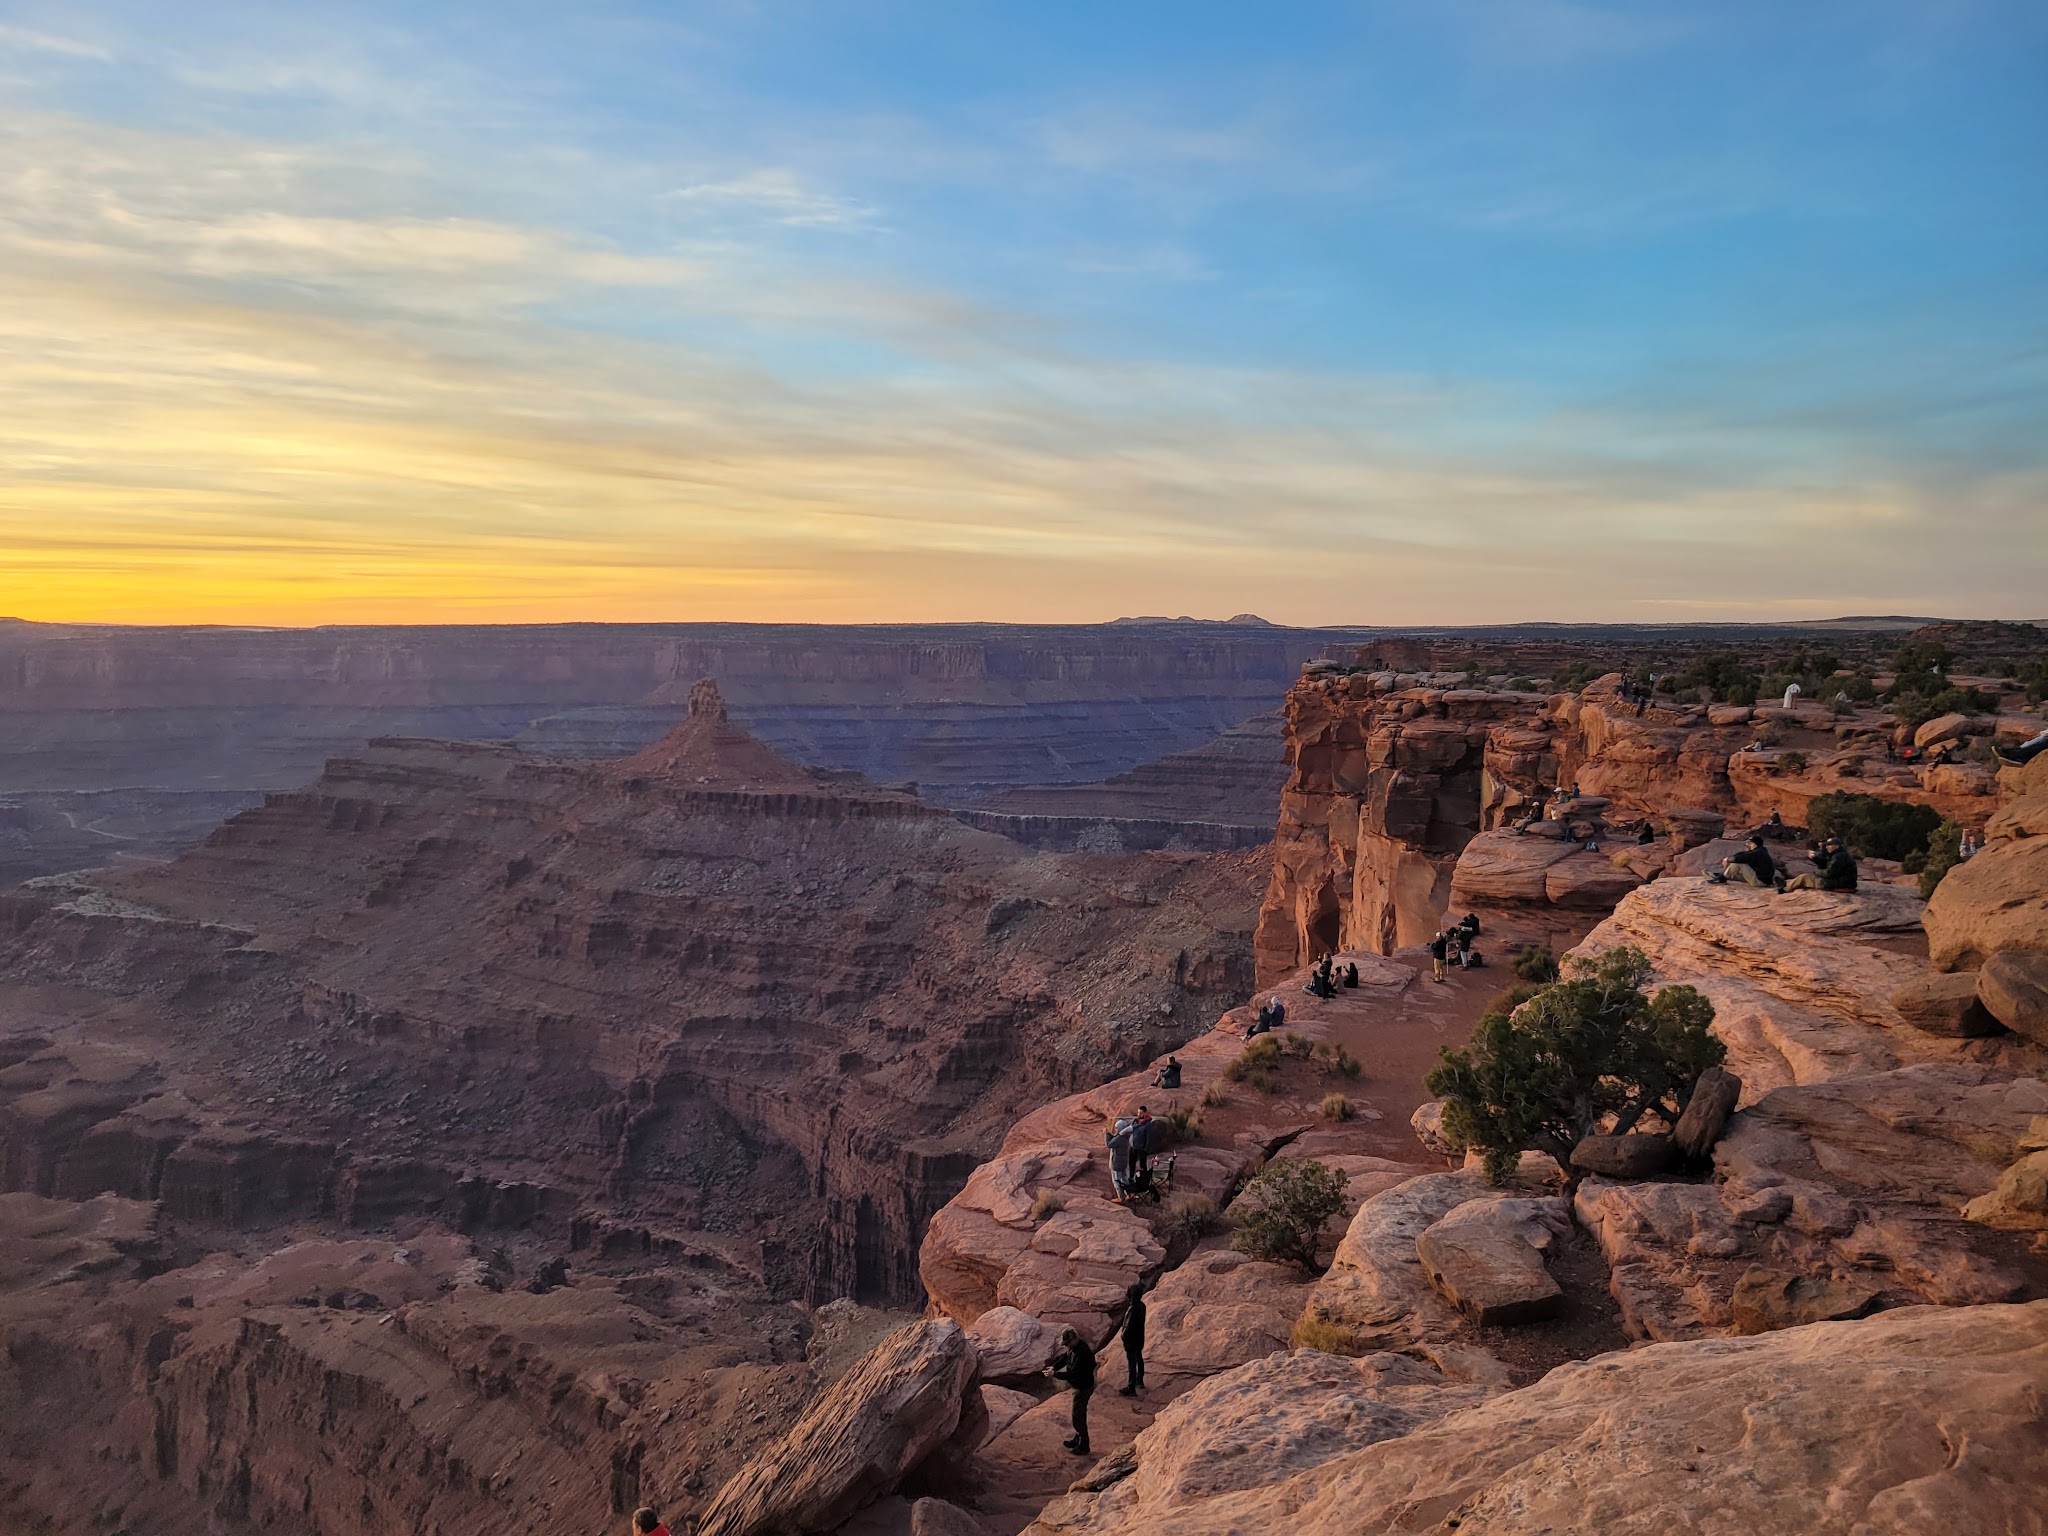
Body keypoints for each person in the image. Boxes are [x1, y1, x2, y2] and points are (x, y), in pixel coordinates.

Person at [1050, 1326, 1096, 1454]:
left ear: (1074, 1339)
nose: (1066, 1346)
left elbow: (1072, 1373)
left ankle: (1084, 1445)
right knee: (1077, 1415)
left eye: (1067, 1343)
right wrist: (1053, 1368)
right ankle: (1078, 1438)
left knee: (1078, 1416)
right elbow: (1065, 1358)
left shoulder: (1082, 1353)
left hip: (1083, 1387)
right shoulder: (1073, 1349)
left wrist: (1054, 1374)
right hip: (1079, 1385)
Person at [1786, 838, 1858, 893]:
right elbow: (1825, 865)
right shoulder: (1839, 854)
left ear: (1836, 846)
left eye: (1829, 845)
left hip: (1840, 884)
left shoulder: (1838, 857)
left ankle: (1784, 889)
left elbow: (1829, 873)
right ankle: (1785, 885)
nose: (1826, 847)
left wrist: (1816, 873)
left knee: (1804, 877)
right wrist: (1814, 858)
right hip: (1841, 882)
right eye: (1826, 845)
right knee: (1806, 878)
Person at [1116, 1282, 1147, 1395]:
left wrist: (1123, 1335)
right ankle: (1140, 1381)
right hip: (1139, 1339)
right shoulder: (1142, 1306)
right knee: (1139, 1358)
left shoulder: (1132, 1309)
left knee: (1132, 1363)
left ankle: (1131, 1387)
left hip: (1131, 1341)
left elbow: (1128, 1327)